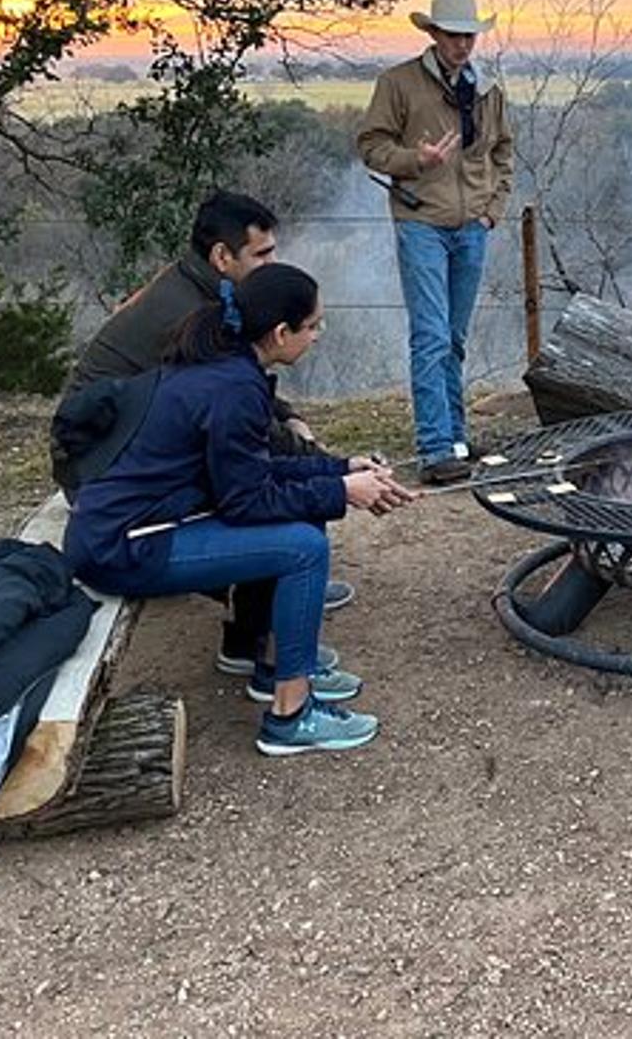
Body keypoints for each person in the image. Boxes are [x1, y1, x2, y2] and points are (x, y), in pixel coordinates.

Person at [63, 264, 415, 755]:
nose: (316, 336)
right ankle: (291, 715)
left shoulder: (228, 366)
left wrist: (339, 470)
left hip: (140, 524)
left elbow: (254, 471)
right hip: (123, 545)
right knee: (303, 548)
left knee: (303, 515)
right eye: (312, 326)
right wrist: (343, 492)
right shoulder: (234, 387)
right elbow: (247, 501)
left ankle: (274, 666)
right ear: (280, 333)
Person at [58, 190, 357, 672]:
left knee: (291, 495)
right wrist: (327, 471)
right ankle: (268, 643)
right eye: (261, 254)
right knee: (292, 530)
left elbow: (242, 397)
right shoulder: (192, 318)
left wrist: (302, 435)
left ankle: (270, 620)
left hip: (130, 469)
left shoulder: (217, 309)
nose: (271, 263)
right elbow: (236, 424)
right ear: (222, 257)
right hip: (104, 468)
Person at [357, 0, 514, 486]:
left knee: (454, 339)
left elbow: (503, 153)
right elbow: (371, 147)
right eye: (453, 35)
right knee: (431, 337)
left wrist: (493, 210)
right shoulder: (399, 83)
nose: (462, 45)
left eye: (468, 36)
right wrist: (415, 160)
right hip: (420, 221)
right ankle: (434, 449)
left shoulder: (486, 89)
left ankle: (455, 439)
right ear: (433, 34)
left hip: (472, 228)